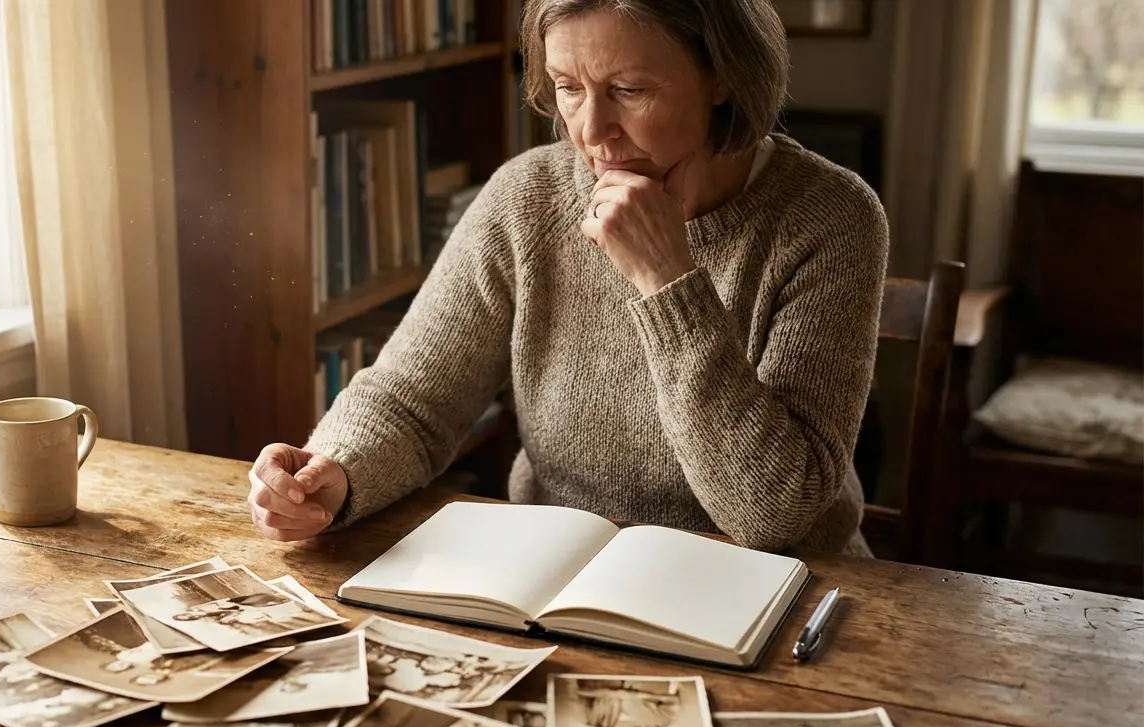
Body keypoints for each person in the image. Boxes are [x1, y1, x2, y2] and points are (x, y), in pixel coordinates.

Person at [247, 0, 887, 556]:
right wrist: (333, 472)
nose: (590, 130)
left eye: (629, 89)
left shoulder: (831, 218)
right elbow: (413, 400)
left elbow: (772, 513)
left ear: (722, 74)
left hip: (782, 590)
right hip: (561, 575)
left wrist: (667, 279)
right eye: (568, 87)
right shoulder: (527, 197)